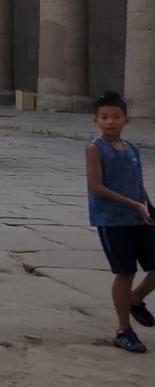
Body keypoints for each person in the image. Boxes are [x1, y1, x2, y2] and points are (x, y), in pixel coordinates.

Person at [86, 91, 155, 353]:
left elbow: (136, 184)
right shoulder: (95, 148)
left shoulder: (132, 149)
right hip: (112, 220)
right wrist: (133, 204)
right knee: (125, 272)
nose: (110, 122)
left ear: (126, 120)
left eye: (115, 117)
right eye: (104, 117)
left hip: (139, 217)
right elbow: (96, 187)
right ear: (95, 120)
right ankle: (124, 329)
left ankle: (136, 299)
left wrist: (146, 204)